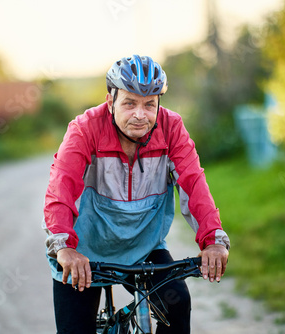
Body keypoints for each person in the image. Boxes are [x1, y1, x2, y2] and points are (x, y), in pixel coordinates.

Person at [42, 54, 230, 334]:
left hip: (144, 248)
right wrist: (65, 247)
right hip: (83, 252)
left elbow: (194, 183)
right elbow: (61, 188)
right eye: (129, 103)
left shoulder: (171, 128)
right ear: (111, 102)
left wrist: (213, 239)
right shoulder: (85, 129)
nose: (140, 114)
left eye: (149, 104)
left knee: (177, 306)